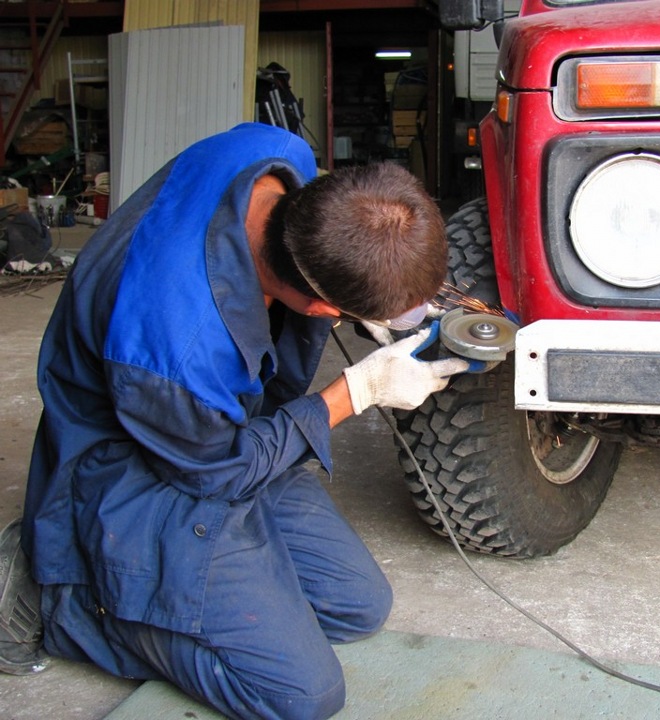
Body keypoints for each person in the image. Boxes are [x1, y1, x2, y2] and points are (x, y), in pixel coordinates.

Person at [0, 122, 470, 719]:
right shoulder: (176, 353)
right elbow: (215, 472)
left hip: (217, 418)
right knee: (302, 696)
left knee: (357, 606)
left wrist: (376, 297)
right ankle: (60, 597)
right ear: (325, 309)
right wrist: (357, 391)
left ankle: (216, 582)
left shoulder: (272, 154)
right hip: (143, 460)